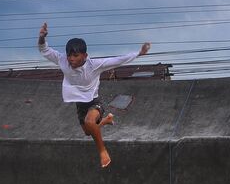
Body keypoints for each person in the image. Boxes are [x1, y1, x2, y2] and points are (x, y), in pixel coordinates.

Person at [38, 22, 151, 168]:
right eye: (69, 56)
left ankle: (103, 152)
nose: (71, 59)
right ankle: (106, 120)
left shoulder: (94, 65)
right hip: (80, 103)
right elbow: (44, 49)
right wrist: (42, 37)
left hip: (94, 102)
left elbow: (117, 60)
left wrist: (138, 53)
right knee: (87, 131)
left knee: (90, 123)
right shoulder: (62, 60)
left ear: (85, 55)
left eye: (75, 56)